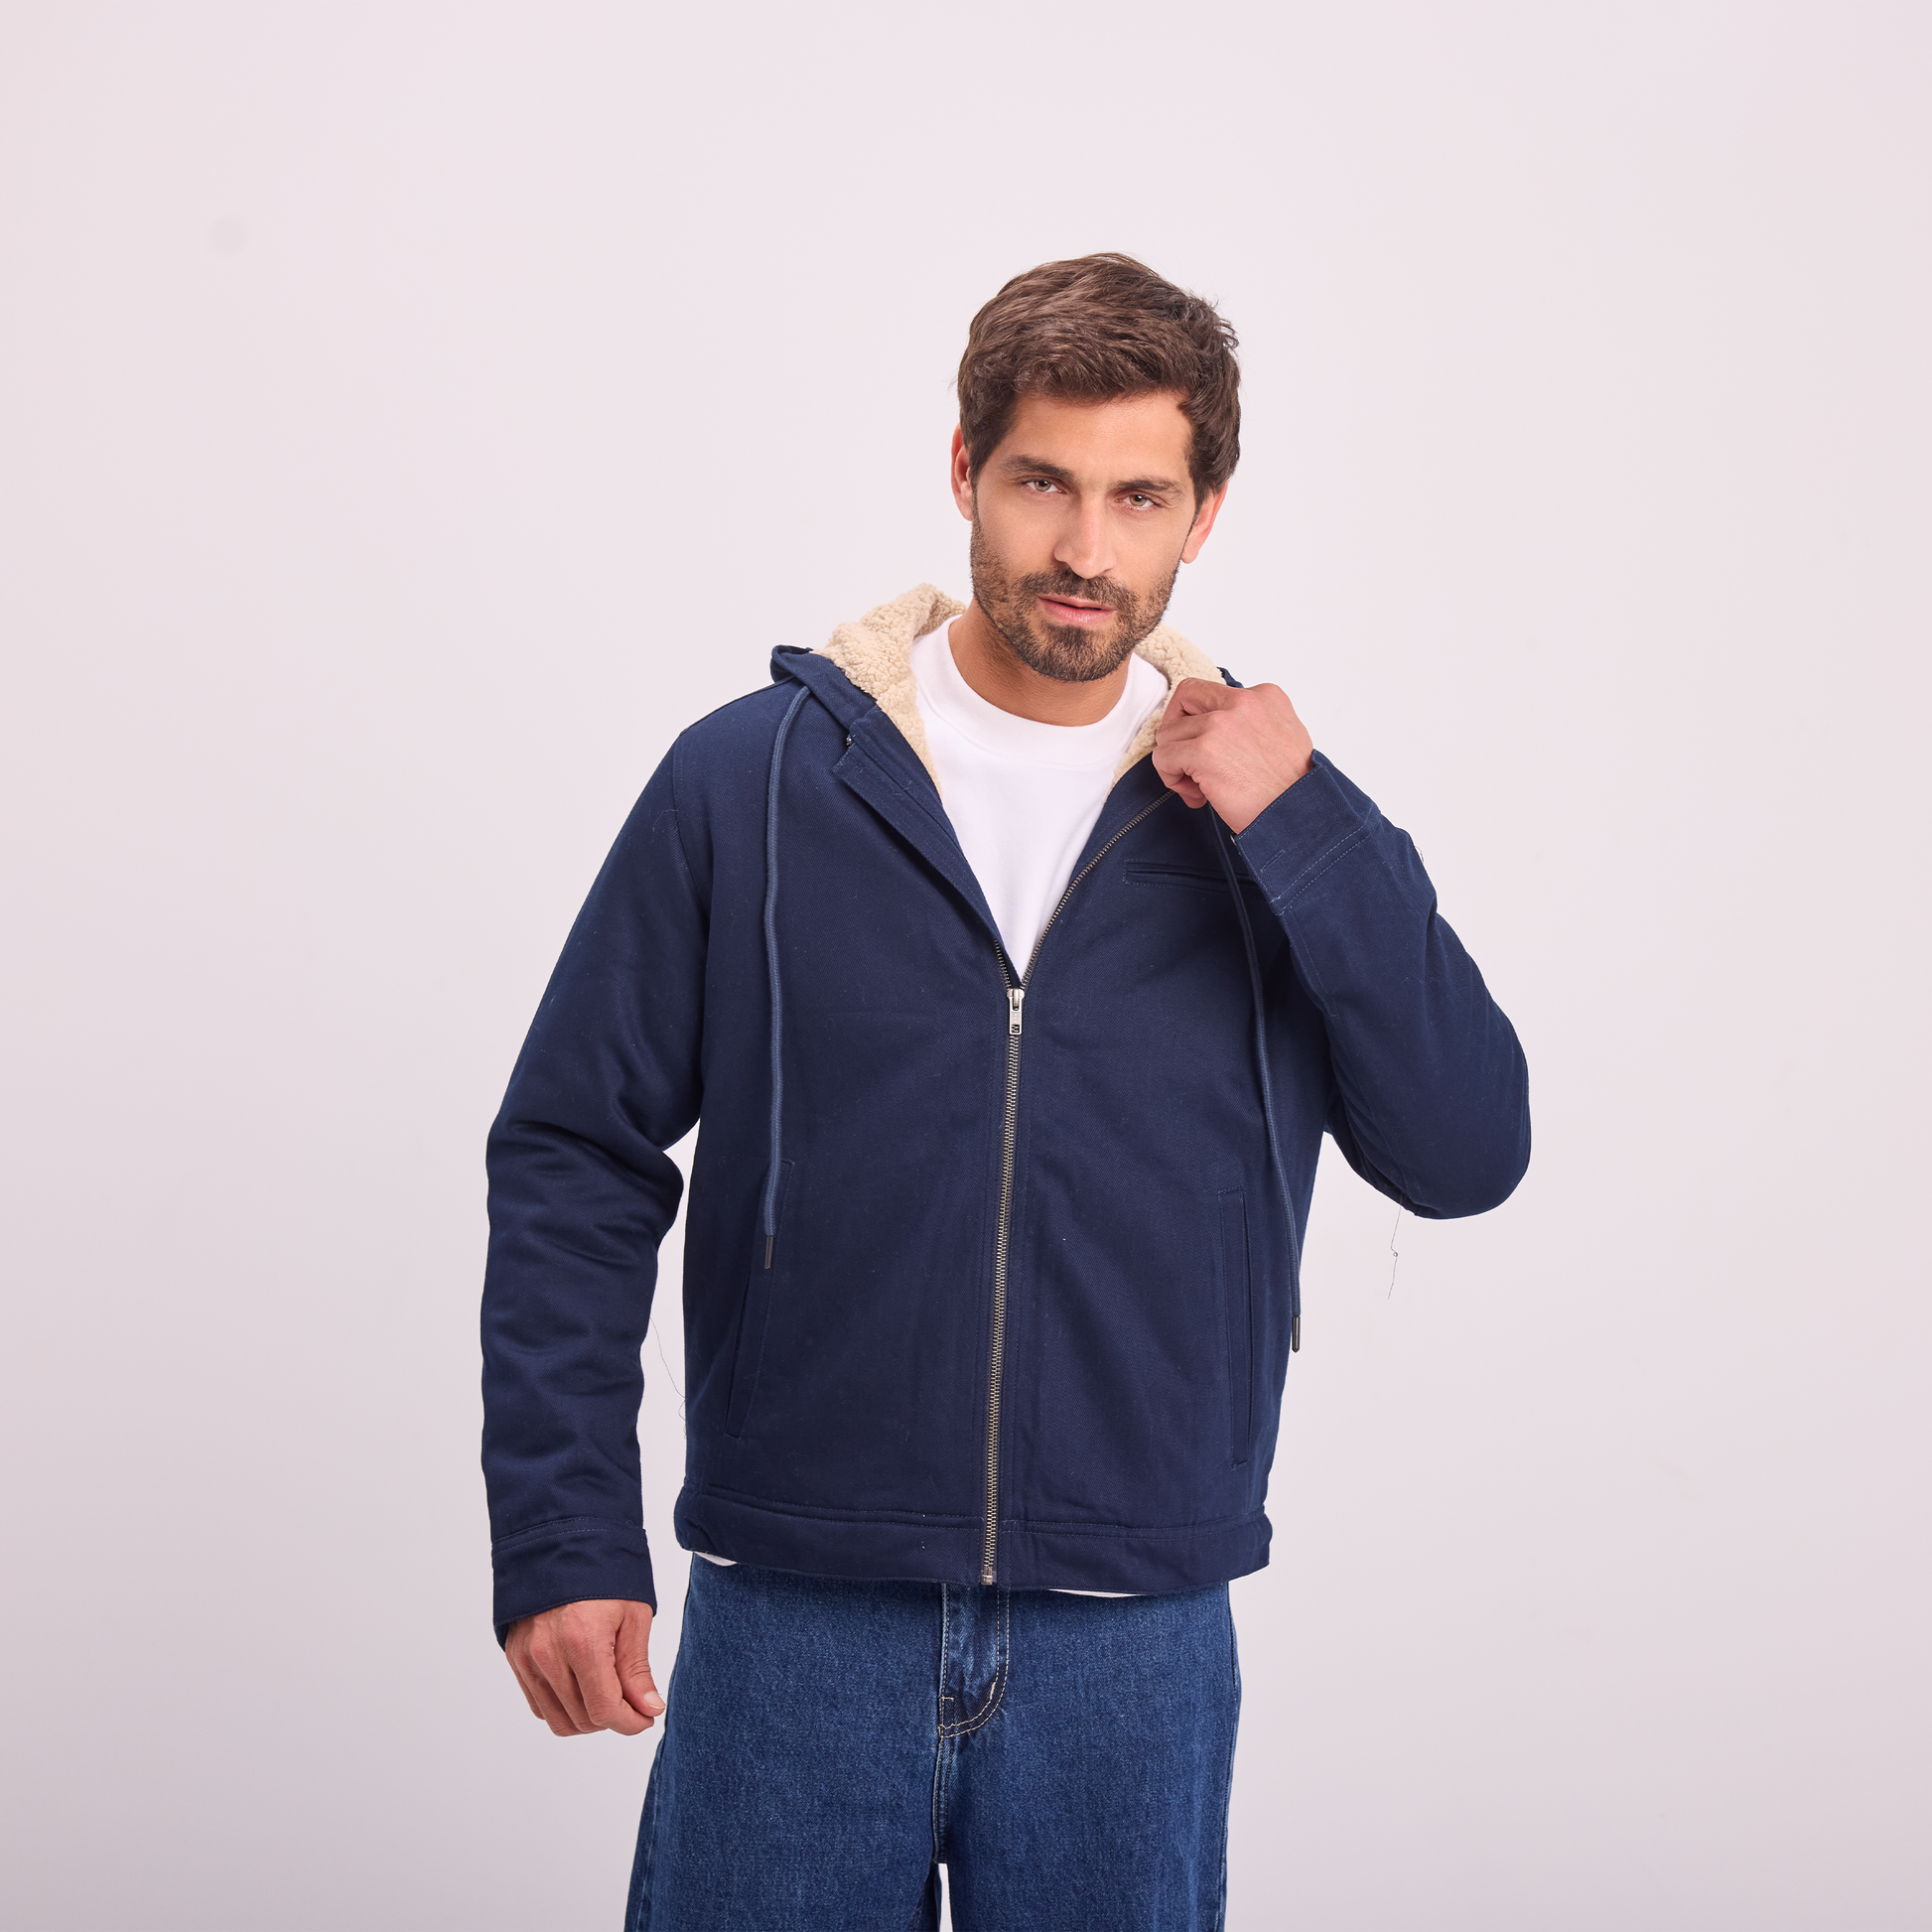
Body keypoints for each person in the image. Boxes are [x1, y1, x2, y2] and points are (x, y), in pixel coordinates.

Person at [481, 252, 1530, 1930]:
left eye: (1139, 497)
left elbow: (1465, 1150)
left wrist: (1308, 822)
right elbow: (574, 1150)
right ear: (965, 468)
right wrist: (563, 1533)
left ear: (1204, 514)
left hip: (1132, 1632)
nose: (1084, 549)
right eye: (1044, 482)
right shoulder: (750, 781)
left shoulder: (1266, 818)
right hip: (797, 1604)